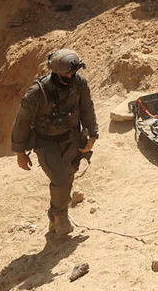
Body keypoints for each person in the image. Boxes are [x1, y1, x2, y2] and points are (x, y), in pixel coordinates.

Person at [11, 49, 98, 238]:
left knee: (68, 178)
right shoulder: (37, 93)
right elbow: (22, 121)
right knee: (59, 179)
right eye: (67, 73)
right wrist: (20, 152)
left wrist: (93, 134)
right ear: (56, 72)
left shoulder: (80, 84)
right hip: (46, 143)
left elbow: (87, 108)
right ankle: (61, 216)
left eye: (73, 72)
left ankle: (53, 213)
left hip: (72, 140)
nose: (71, 76)